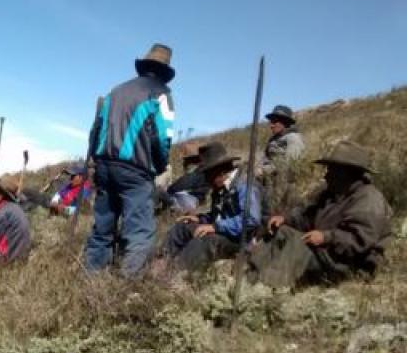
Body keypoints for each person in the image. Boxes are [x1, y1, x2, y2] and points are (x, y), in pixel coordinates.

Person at [84, 43, 176, 276]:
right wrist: (161, 164)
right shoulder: (162, 95)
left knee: (102, 228)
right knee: (139, 231)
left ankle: (90, 280)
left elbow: (95, 129)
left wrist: (95, 162)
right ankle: (127, 287)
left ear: (144, 67)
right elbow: (163, 138)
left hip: (104, 165)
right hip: (135, 171)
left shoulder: (115, 91)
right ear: (165, 73)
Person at [249, 141, 392, 287]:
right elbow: (306, 217)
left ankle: (272, 290)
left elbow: (360, 240)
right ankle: (251, 275)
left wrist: (326, 237)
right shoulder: (330, 193)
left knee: (295, 246)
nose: (326, 176)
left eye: (332, 171)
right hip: (324, 253)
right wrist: (285, 219)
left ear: (348, 173)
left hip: (349, 264)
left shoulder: (368, 198)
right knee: (282, 231)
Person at [161, 142, 262, 273]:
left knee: (206, 240)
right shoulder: (220, 188)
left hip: (241, 240)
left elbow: (251, 219)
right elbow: (219, 215)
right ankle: (162, 261)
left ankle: (175, 272)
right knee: (183, 226)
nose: (206, 179)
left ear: (220, 172)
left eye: (208, 175)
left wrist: (215, 227)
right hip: (225, 233)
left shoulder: (245, 185)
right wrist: (200, 218)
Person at [257, 105, 306, 213]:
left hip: (282, 186)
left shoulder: (294, 138)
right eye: (271, 122)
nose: (271, 125)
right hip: (267, 183)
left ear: (284, 122)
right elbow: (264, 159)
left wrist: (265, 170)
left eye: (274, 122)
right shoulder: (272, 140)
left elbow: (290, 164)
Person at [157, 142, 211, 213]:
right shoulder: (206, 170)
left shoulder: (196, 172)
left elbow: (179, 185)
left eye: (185, 159)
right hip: (195, 201)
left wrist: (168, 190)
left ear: (192, 158)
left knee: (158, 191)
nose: (184, 162)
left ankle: (172, 204)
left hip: (189, 201)